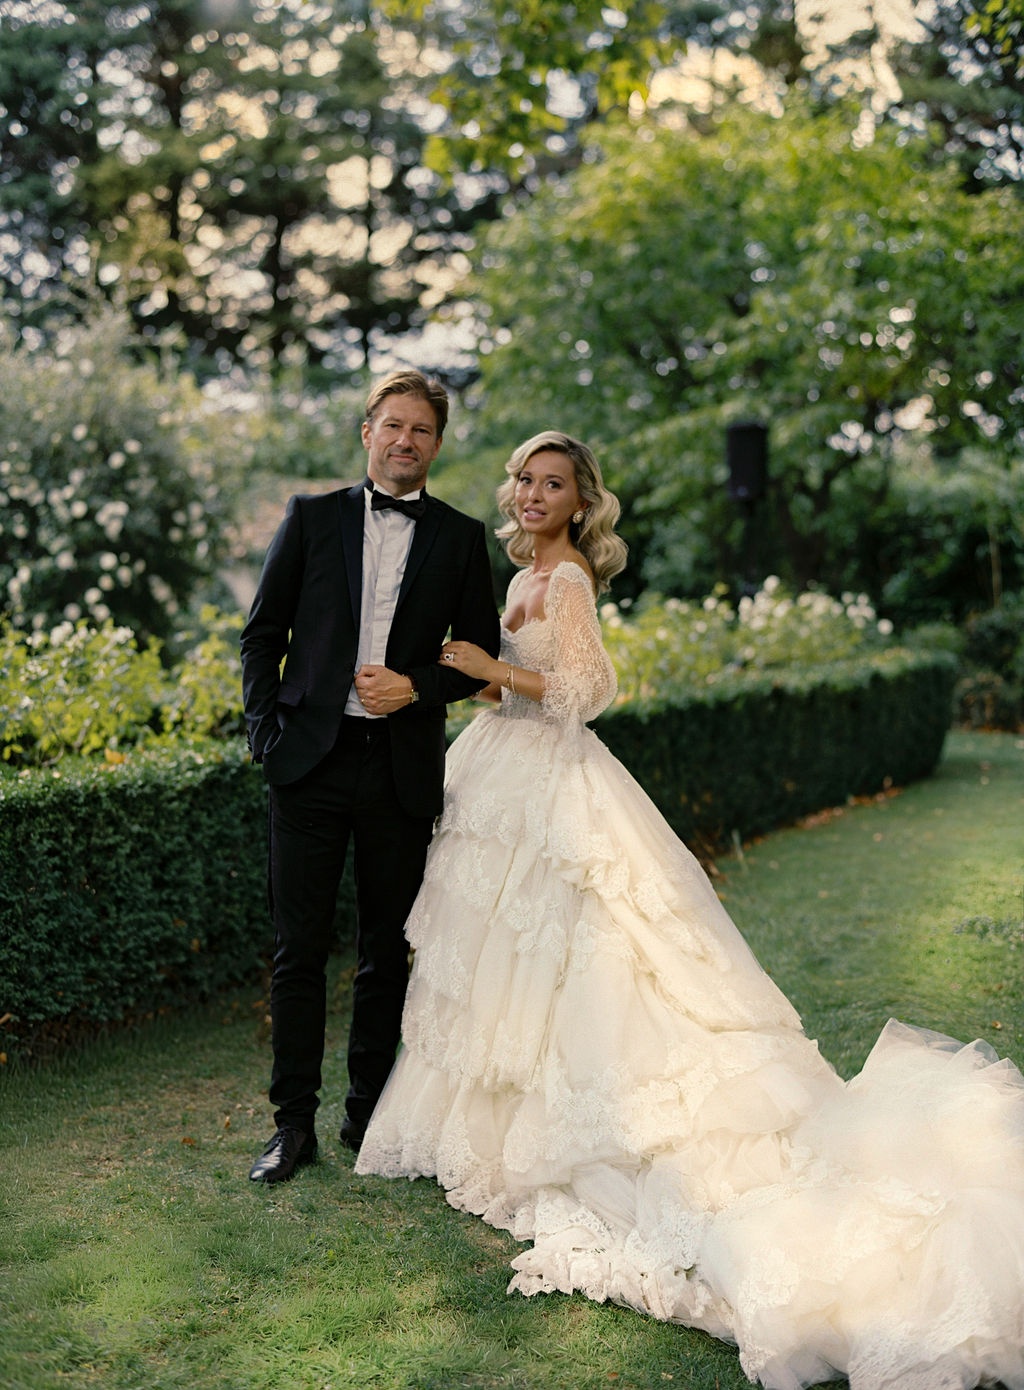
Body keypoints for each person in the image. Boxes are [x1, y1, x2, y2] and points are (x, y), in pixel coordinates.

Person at [355, 429, 1024, 1390]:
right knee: (503, 958)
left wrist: (492, 669)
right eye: (527, 482)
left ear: (582, 503)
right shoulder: (523, 567)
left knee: (580, 951)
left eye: (555, 485)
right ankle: (496, 1123)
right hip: (502, 769)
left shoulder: (571, 576)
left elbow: (589, 690)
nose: (536, 496)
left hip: (554, 778)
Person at [240, 369, 500, 1185]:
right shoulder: (311, 519)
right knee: (298, 953)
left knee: (388, 953)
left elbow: (481, 660)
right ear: (367, 433)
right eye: (392, 425)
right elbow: (261, 634)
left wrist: (418, 684)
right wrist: (263, 735)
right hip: (308, 767)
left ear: (437, 444)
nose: (404, 441)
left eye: (420, 430)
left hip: (400, 772)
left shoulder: (460, 538)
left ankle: (367, 1120)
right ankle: (291, 1126)